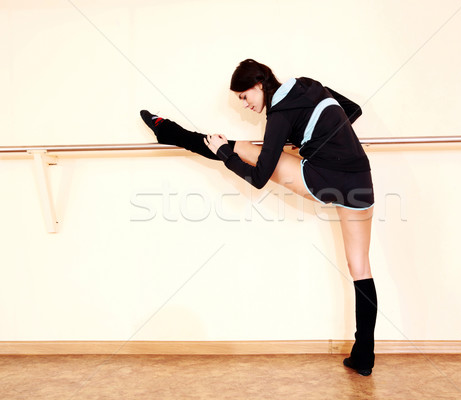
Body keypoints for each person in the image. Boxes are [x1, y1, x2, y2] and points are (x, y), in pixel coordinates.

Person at [140, 59, 377, 376]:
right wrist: (311, 140)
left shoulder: (278, 113)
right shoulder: (309, 83)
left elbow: (259, 178)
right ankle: (364, 356)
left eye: (243, 95)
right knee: (360, 267)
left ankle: (169, 131)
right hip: (360, 178)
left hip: (323, 179)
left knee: (242, 148)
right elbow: (352, 110)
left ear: (259, 84)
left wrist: (225, 155)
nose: (244, 104)